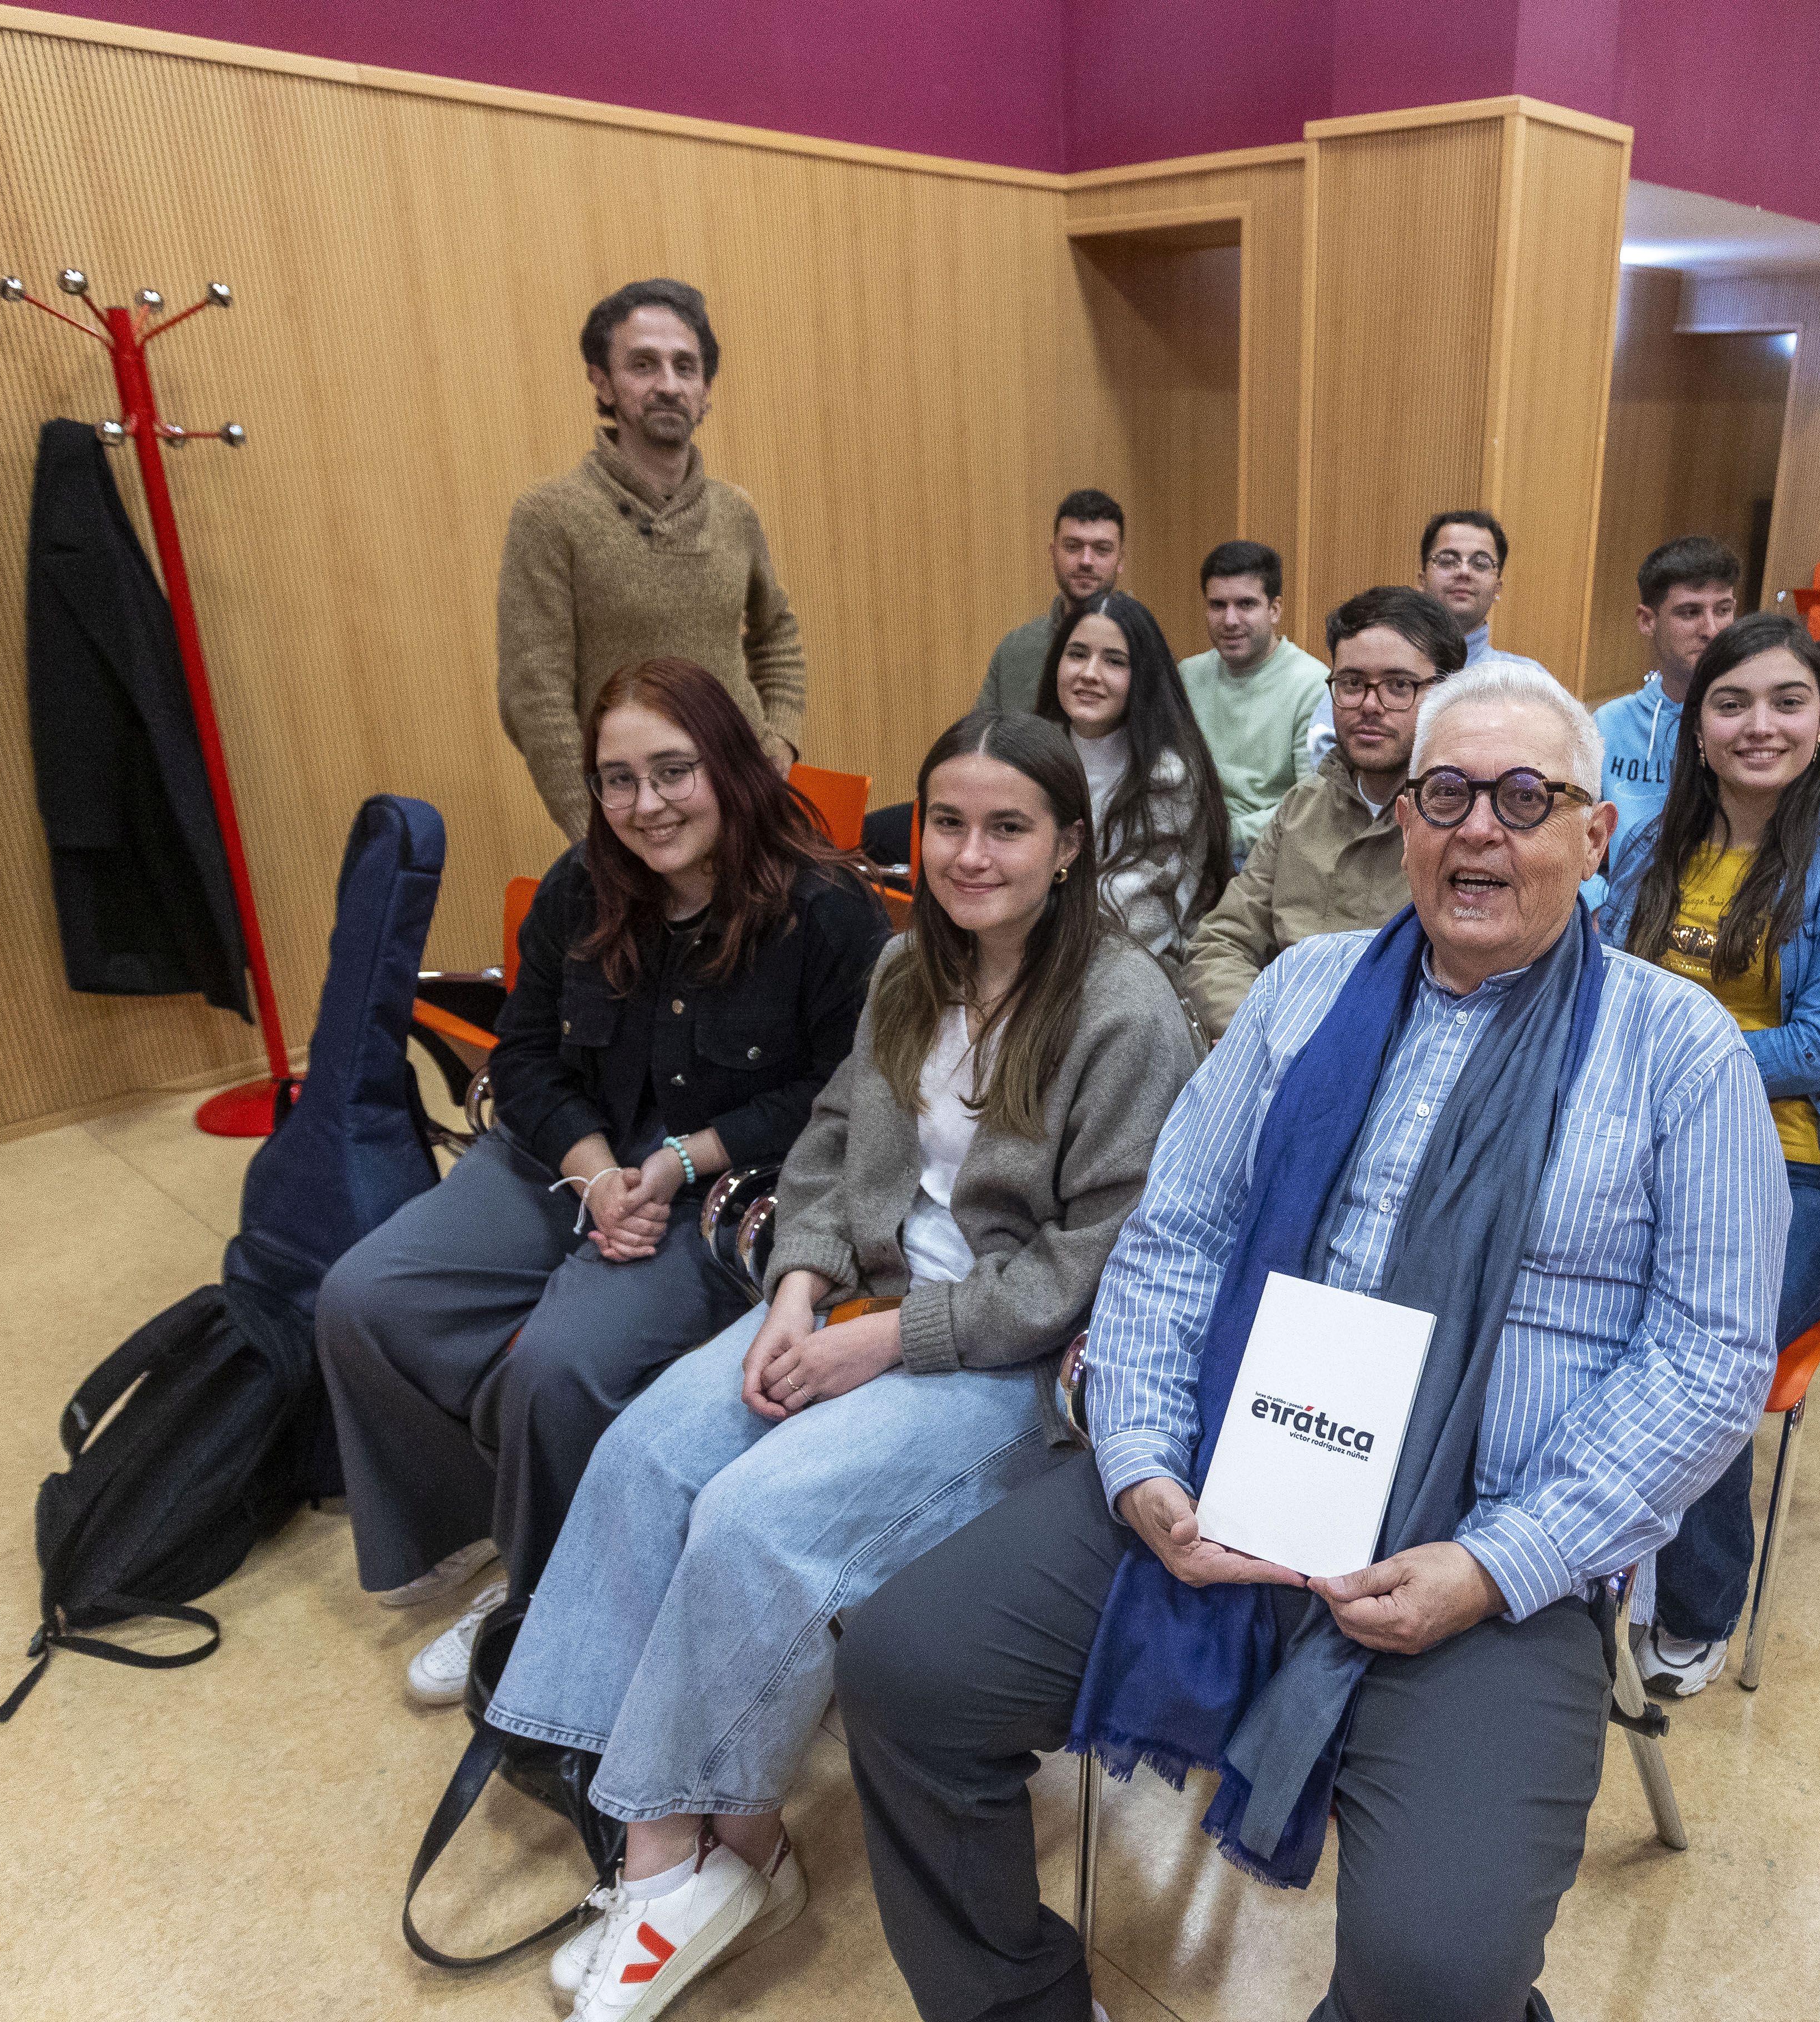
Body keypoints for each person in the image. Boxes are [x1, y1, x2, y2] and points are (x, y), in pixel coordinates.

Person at [839, 663, 1783, 2022]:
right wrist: (1146, 1467)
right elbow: (1174, 1241)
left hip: (1484, 1550)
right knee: (905, 1667)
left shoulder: (1678, 1053)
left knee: (1437, 1972)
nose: (1477, 830)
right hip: (1226, 1480)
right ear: (1399, 819)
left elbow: (1705, 1365)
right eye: (1443, 793)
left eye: (1526, 798)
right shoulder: (1301, 995)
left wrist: (1492, 1561)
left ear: (1597, 836)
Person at [488, 711, 1199, 2021]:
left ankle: (702, 1853)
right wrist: (796, 1292)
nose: (967, 854)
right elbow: (820, 1150)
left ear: (1067, 846)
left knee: (753, 1518)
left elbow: (1093, 1261)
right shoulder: (899, 972)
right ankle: (689, 1854)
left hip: (1002, 1364)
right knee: (645, 1452)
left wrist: (884, 1341)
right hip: (857, 1300)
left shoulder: (1123, 1008)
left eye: (1006, 828)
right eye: (947, 823)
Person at [317, 658, 887, 1703]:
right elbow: (525, 1054)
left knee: (560, 1368)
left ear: (727, 764)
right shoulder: (583, 884)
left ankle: (545, 1599)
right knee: (363, 1295)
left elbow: (830, 1091)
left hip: (725, 1183)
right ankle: (475, 1522)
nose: (646, 804)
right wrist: (592, 1172)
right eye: (617, 779)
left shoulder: (826, 911)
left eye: (673, 771)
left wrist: (673, 1163)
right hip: (573, 1155)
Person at [1596, 611, 1820, 1697]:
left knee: (1700, 1343)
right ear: (1696, 726)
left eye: (1788, 701)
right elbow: (1590, 998)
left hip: (1797, 1165)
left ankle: (1695, 1602)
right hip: (1637, 1146)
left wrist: (1656, 1060)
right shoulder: (1650, 846)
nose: (1758, 724)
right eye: (1731, 703)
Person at [499, 280, 807, 840]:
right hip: (637, 821)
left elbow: (776, 634)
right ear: (603, 381)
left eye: (685, 368)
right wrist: (594, 832)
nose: (668, 385)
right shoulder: (550, 516)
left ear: (706, 389)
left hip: (745, 811)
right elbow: (534, 696)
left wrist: (777, 742)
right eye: (644, 365)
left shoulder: (733, 511)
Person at [1181, 585, 1459, 1038]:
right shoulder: (1304, 806)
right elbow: (1221, 942)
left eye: (1398, 686)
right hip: (1270, 1043)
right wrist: (1259, 1037)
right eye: (1351, 684)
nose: (1369, 705)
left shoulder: (1463, 827)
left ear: (1446, 693)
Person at [1034, 591, 1234, 974]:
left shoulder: (1169, 776)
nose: (1089, 673)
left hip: (1135, 969)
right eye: (1076, 654)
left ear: (1141, 676)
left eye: (1114, 661)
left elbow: (1137, 917)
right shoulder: (1030, 759)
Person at [1306, 507, 1548, 765]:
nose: (1463, 572)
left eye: (1480, 563)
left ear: (1498, 585)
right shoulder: (1371, 668)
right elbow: (1324, 751)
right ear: (1422, 579)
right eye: (1447, 560)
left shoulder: (1525, 680)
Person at [1592, 534, 1742, 879]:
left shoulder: (1752, 725)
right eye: (1690, 613)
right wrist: (1595, 905)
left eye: (1724, 610)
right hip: (1619, 916)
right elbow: (1576, 835)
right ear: (1648, 620)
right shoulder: (1611, 723)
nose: (1712, 629)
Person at [1176, 539, 1328, 859]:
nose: (1230, 621)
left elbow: (1311, 804)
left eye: (1246, 605)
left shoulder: (1312, 684)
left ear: (1274, 610)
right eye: (1218, 606)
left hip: (1268, 852)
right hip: (1186, 841)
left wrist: (1220, 836)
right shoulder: (1187, 676)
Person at [977, 488, 1126, 718]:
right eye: (1073, 547)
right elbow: (982, 744)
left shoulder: (1145, 648)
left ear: (1120, 561)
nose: (1086, 561)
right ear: (1053, 553)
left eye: (1102, 550)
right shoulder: (1015, 651)